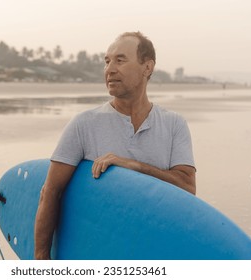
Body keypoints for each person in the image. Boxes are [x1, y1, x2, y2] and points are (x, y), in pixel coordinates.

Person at [34, 31, 196, 260]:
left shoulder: (174, 124)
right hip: (99, 249)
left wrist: (133, 166)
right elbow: (50, 191)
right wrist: (41, 259)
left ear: (147, 68)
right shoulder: (84, 124)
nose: (109, 69)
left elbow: (188, 188)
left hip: (153, 249)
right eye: (107, 61)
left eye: (120, 60)